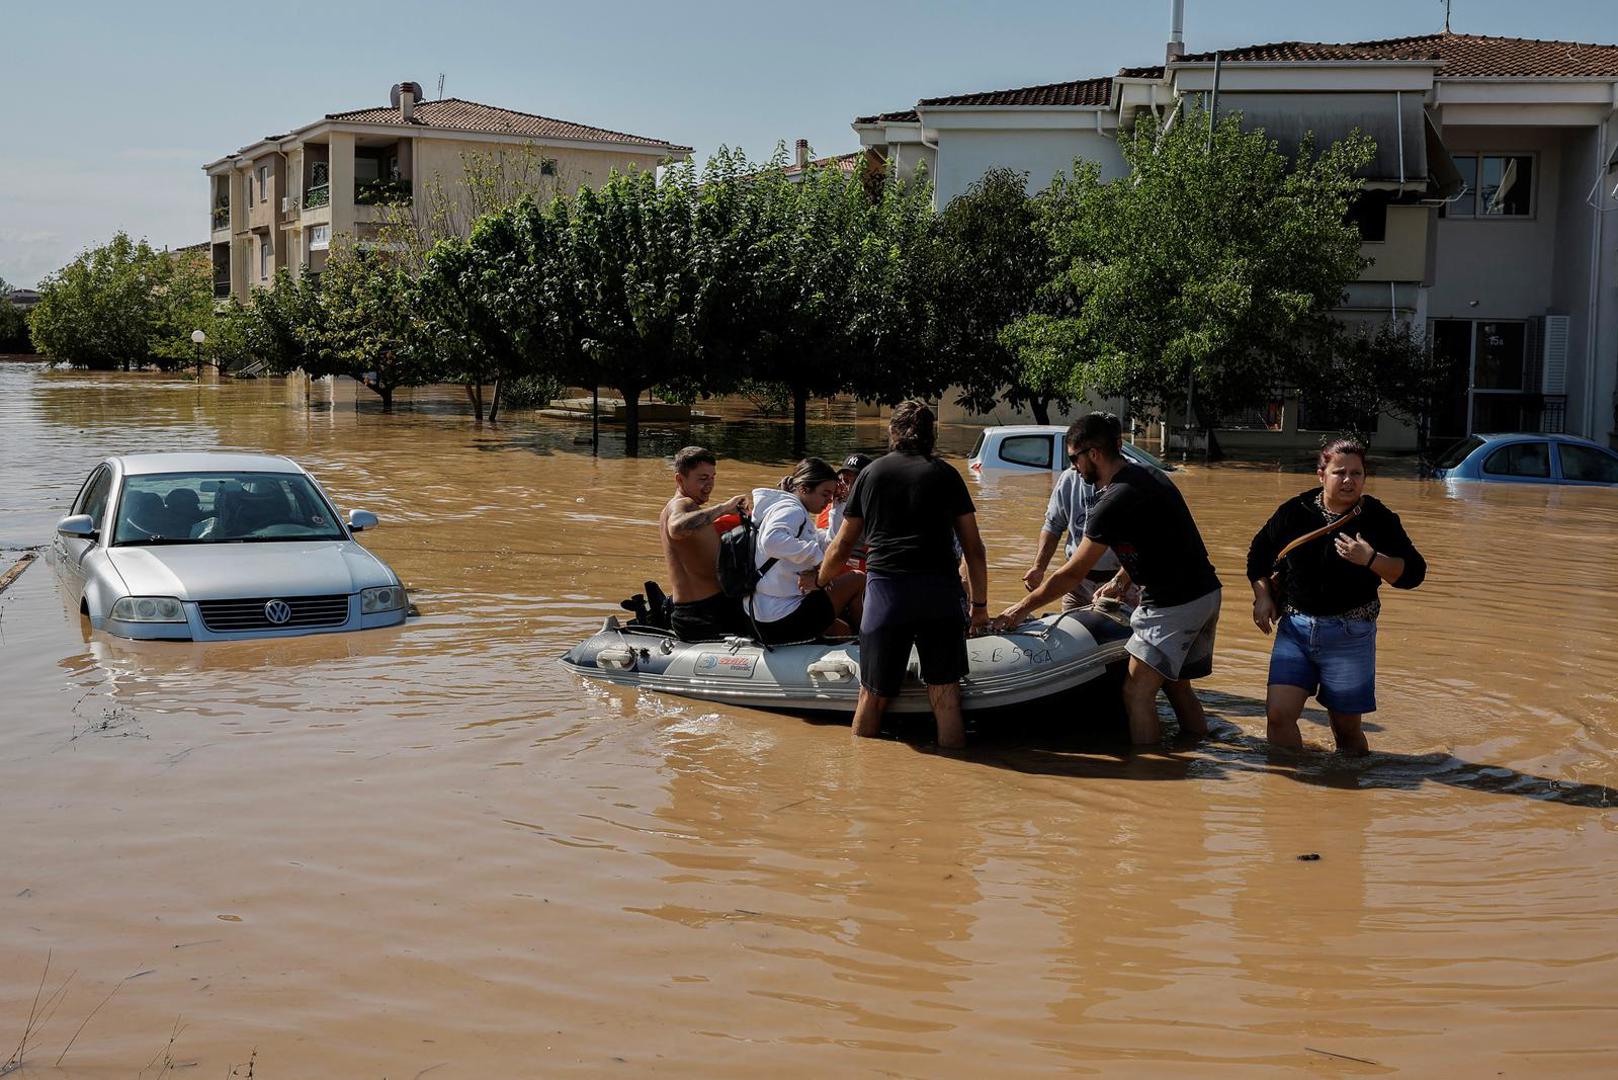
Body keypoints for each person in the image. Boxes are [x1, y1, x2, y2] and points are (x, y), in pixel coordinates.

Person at [994, 412, 1221, 746]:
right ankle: (1195, 749)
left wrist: (1019, 609)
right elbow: (1156, 541)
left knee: (1136, 693)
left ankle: (1149, 775)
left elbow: (1072, 573)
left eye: (1074, 457)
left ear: (1094, 454)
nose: (1072, 466)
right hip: (1204, 593)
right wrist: (1122, 580)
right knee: (1175, 684)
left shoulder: (1113, 500)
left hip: (1174, 603)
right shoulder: (1148, 477)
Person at [819, 401, 989, 749]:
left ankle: (860, 779)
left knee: (871, 695)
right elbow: (974, 548)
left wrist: (819, 584)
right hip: (939, 595)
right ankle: (954, 782)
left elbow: (842, 545)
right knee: (945, 696)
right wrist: (980, 607)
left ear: (892, 433)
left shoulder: (871, 475)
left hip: (888, 597)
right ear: (932, 435)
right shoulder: (946, 474)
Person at [1247, 438, 1426, 755]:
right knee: (1277, 718)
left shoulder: (1377, 519)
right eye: (1339, 472)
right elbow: (1258, 556)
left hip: (1350, 635)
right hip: (1295, 630)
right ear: (1321, 475)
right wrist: (1263, 597)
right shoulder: (1295, 511)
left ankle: (1349, 792)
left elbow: (1413, 573)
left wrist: (1371, 559)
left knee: (1346, 733)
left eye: (1356, 473)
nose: (1348, 480)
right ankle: (1292, 793)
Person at [747, 458, 866, 645]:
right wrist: (818, 559)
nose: (827, 501)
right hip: (782, 617)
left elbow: (830, 545)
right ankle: (871, 645)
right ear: (803, 489)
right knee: (858, 579)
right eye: (825, 494)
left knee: (842, 630)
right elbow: (770, 540)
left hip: (763, 617)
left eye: (831, 495)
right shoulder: (791, 509)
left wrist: (837, 507)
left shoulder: (788, 508)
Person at [1022, 420, 1139, 610]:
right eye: (1072, 459)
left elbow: (1144, 546)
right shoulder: (1069, 478)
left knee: (1121, 638)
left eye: (1075, 459)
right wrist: (1039, 567)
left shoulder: (1131, 483)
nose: (1074, 466)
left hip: (1121, 581)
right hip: (1076, 584)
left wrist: (1120, 582)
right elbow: (1053, 525)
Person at [660, 446, 750, 642]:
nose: (709, 485)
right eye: (702, 478)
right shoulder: (681, 505)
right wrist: (724, 508)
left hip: (706, 609)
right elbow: (676, 527)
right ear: (680, 479)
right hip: (704, 614)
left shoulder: (693, 511)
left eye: (712, 477)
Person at [817, 453, 872, 570]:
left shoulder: (874, 509)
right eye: (846, 481)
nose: (850, 488)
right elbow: (831, 542)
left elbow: (838, 545)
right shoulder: (831, 504)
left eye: (857, 482)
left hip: (859, 569)